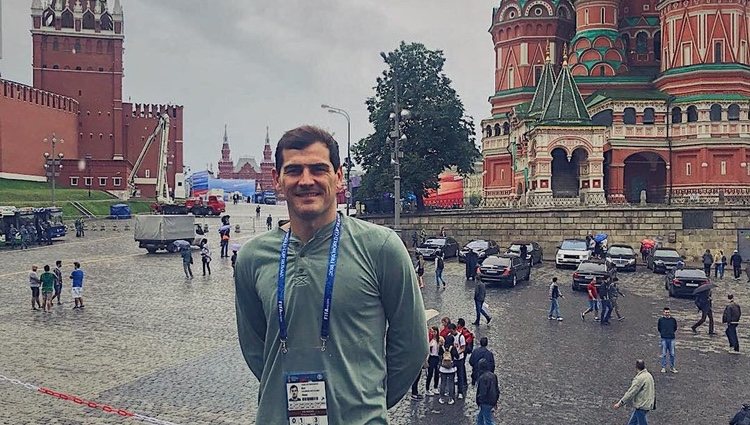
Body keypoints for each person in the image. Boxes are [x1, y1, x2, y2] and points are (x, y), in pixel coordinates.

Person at [234, 125, 427, 424]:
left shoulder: (382, 248)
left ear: (339, 177)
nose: (306, 180)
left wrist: (365, 401)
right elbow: (255, 347)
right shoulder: (252, 258)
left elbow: (412, 347)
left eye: (318, 169)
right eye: (294, 170)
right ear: (277, 180)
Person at [613, 359, 656, 425]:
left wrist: (620, 403)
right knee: (632, 423)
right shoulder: (649, 375)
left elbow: (631, 392)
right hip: (648, 403)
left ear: (636, 367)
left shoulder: (639, 378)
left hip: (641, 405)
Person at [475, 358, 500, 425]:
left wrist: (479, 401)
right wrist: (496, 400)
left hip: (485, 402)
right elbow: (496, 389)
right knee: (480, 418)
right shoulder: (493, 375)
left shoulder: (482, 378)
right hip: (492, 400)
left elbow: (483, 392)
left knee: (488, 420)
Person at [438, 333, 458, 405]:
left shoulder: (442, 347)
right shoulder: (453, 348)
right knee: (451, 383)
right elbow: (457, 356)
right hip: (451, 368)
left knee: (443, 383)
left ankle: (442, 398)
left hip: (443, 368)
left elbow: (439, 355)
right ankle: (450, 398)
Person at [452, 320, 469, 400]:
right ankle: (451, 391)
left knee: (460, 375)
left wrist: (457, 353)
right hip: (452, 359)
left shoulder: (461, 337)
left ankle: (460, 392)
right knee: (451, 375)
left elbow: (463, 348)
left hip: (460, 359)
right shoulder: (450, 336)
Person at [657, 307, 678, 373]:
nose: (667, 313)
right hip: (664, 338)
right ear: (663, 313)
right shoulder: (660, 320)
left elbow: (675, 327)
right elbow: (659, 328)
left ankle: (672, 367)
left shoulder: (673, 320)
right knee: (663, 354)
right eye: (666, 312)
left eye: (668, 312)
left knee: (672, 354)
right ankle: (663, 367)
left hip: (671, 338)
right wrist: (663, 333)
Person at [425, 326, 441, 396]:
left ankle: (435, 387)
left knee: (437, 373)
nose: (434, 333)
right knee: (430, 373)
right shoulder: (430, 339)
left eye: (435, 331)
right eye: (433, 331)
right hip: (431, 357)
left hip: (437, 357)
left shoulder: (439, 339)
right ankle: (427, 389)